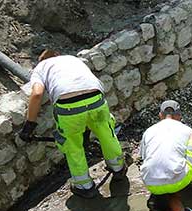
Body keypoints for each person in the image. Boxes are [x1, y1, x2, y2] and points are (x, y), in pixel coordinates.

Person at [17, 49, 126, 199]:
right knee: (107, 133)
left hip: (69, 107)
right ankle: (118, 168)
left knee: (73, 145)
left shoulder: (40, 68)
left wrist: (29, 125)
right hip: (96, 99)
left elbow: (36, 94)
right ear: (57, 55)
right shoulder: (71, 58)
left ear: (40, 61)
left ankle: (84, 186)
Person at [139, 100, 192, 211]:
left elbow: (144, 157)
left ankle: (158, 198)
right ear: (178, 116)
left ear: (160, 116)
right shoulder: (187, 130)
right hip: (181, 181)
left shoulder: (148, 131)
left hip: (151, 184)